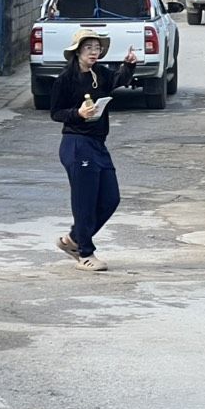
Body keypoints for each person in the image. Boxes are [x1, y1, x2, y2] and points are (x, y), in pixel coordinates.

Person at [49, 28, 138, 272]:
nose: (93, 52)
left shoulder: (100, 73)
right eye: (88, 48)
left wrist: (129, 66)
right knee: (85, 201)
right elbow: (56, 112)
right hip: (76, 143)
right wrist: (77, 113)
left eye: (97, 48)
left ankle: (73, 239)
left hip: (98, 143)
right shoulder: (66, 79)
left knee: (111, 198)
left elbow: (119, 80)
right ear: (77, 51)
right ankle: (85, 253)